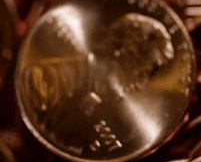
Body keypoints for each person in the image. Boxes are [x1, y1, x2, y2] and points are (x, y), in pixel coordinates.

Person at [22, 12, 175, 119]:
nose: (145, 81)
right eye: (149, 68)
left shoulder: (110, 104)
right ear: (125, 51)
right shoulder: (45, 78)